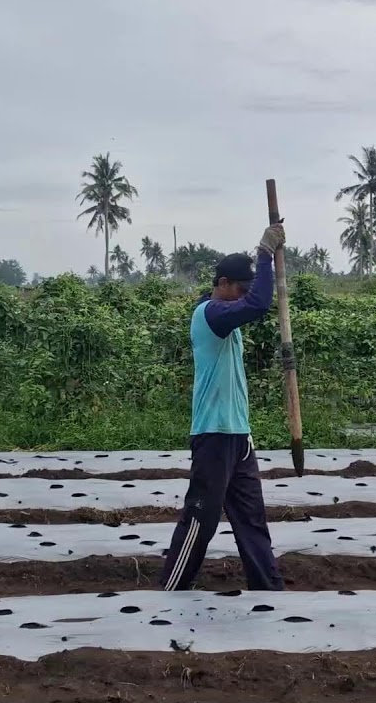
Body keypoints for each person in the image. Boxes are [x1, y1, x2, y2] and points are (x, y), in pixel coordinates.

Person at [159, 222, 287, 592]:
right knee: (202, 518)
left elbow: (254, 303)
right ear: (223, 283)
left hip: (238, 436)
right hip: (213, 436)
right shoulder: (210, 315)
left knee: (252, 520)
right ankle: (171, 590)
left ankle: (270, 591)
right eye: (240, 289)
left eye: (246, 289)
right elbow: (260, 303)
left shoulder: (227, 318)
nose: (244, 295)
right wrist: (265, 255)